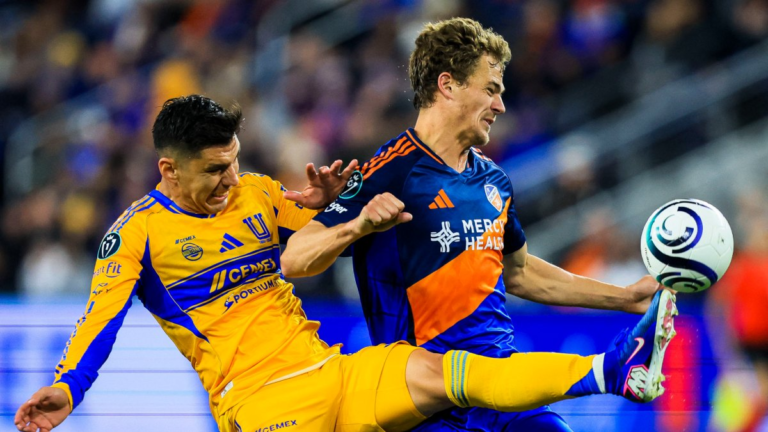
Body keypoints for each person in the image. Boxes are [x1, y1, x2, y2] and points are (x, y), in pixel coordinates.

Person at [15, 95, 676, 432]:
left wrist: (340, 202)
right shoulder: (135, 235)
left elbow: (324, 236)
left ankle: (612, 369)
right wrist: (69, 388)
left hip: (333, 371)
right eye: (214, 170)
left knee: (449, 373)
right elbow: (100, 321)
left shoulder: (257, 193)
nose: (231, 179)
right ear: (168, 169)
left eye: (235, 161)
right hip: (262, 404)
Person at [280, 18, 670, 431]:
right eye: (490, 90)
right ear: (448, 85)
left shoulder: (493, 180)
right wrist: (358, 226)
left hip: (504, 389)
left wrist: (626, 298)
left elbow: (518, 272)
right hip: (429, 406)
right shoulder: (390, 172)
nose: (500, 106)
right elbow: (295, 259)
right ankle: (609, 369)